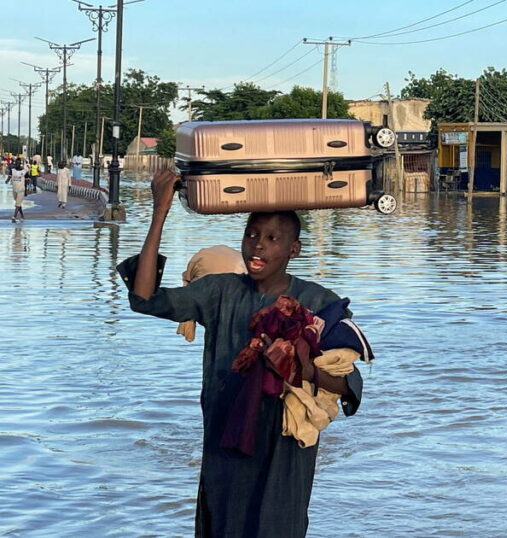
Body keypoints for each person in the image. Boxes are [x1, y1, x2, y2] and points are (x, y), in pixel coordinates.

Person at [119, 169, 365, 537]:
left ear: (293, 249)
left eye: (271, 238)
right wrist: (160, 212)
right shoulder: (219, 291)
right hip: (224, 439)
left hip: (285, 450)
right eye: (251, 235)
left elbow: (349, 386)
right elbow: (144, 299)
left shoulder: (319, 303)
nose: (258, 245)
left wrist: (302, 369)